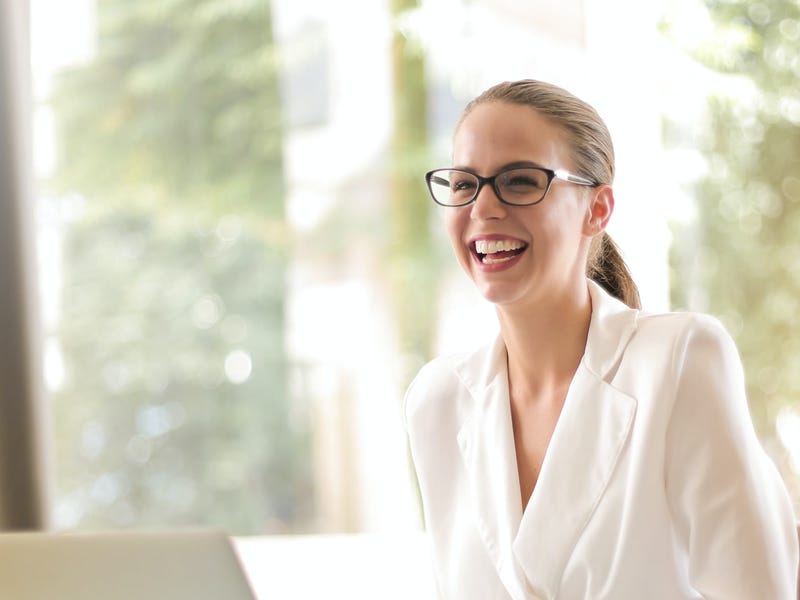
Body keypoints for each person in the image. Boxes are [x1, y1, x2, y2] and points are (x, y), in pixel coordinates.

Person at [403, 79, 799, 600]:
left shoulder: (678, 361)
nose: (483, 207)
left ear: (598, 208)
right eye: (462, 184)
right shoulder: (438, 400)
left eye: (520, 181)